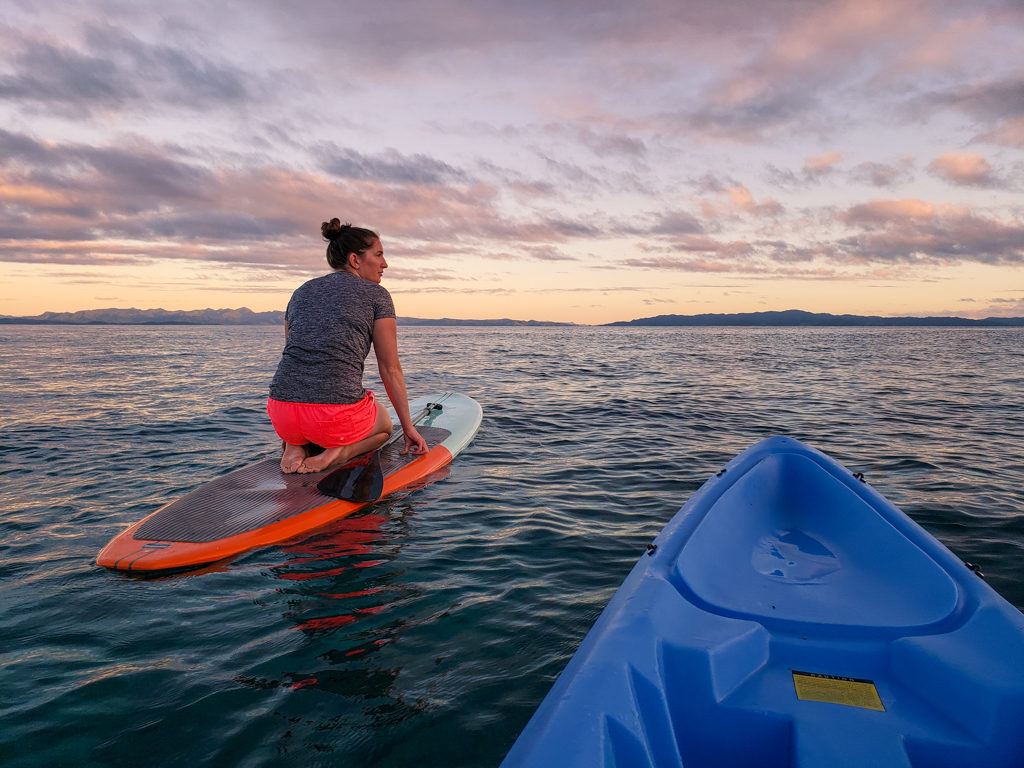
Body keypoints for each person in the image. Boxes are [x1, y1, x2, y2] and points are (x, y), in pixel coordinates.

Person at [267, 219, 428, 474]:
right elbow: (390, 367)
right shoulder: (377, 295)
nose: (385, 264)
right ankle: (338, 453)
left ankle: (294, 445)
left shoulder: (301, 291)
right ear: (355, 260)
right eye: (379, 255)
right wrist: (408, 428)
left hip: (281, 411)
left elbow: (294, 352)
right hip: (332, 420)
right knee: (385, 425)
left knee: (307, 405)